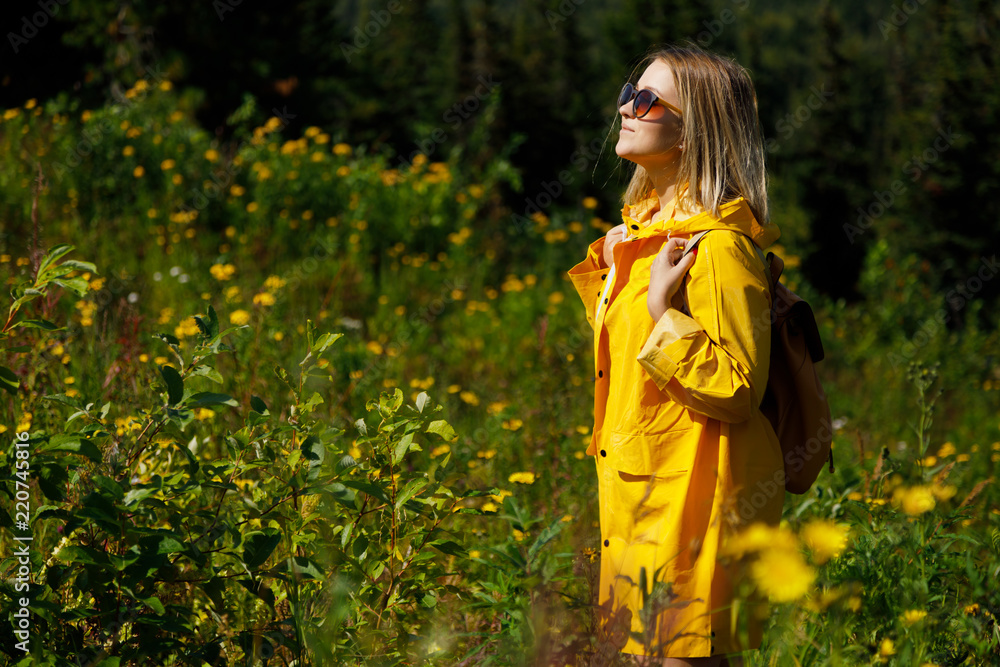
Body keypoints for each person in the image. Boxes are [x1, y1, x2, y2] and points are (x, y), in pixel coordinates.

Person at [566, 44, 785, 666]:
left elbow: (738, 386)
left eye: (647, 101)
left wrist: (663, 311)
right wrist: (616, 274)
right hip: (646, 491)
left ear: (696, 132)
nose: (626, 111)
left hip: (699, 500)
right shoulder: (650, 234)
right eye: (627, 95)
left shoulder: (717, 247)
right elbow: (635, 364)